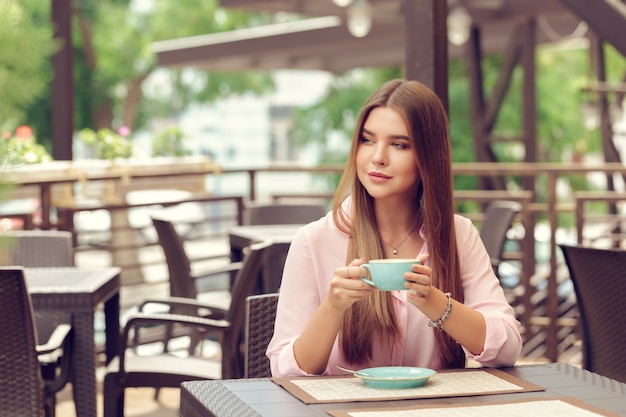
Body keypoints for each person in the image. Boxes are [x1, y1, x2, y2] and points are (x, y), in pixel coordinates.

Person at [266, 79, 522, 377]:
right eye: (367, 140)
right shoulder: (314, 241)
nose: (378, 157)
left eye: (399, 144)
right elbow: (284, 372)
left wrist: (436, 303)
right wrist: (333, 306)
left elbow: (507, 348)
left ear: (428, 157)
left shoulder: (458, 235)